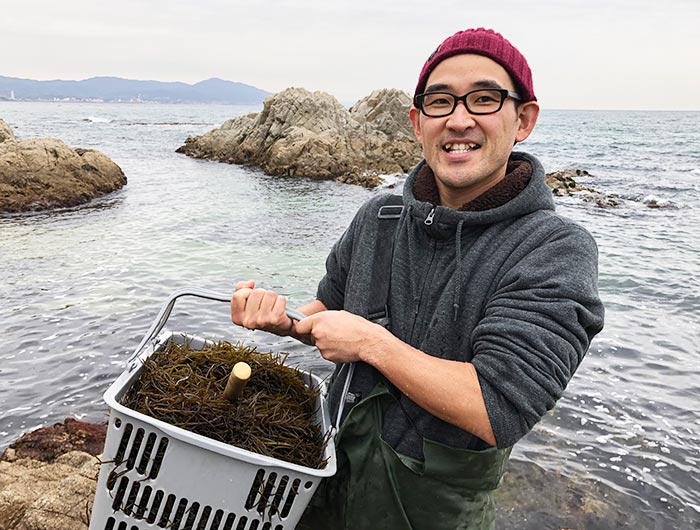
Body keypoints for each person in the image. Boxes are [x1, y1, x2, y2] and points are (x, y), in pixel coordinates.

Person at [231, 27, 605, 530]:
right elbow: (326, 310)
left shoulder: (553, 248)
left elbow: (498, 406)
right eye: (440, 101)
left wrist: (371, 343)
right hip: (325, 477)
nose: (458, 119)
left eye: (485, 98)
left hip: (431, 512)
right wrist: (284, 320)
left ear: (524, 119)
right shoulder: (380, 217)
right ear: (416, 122)